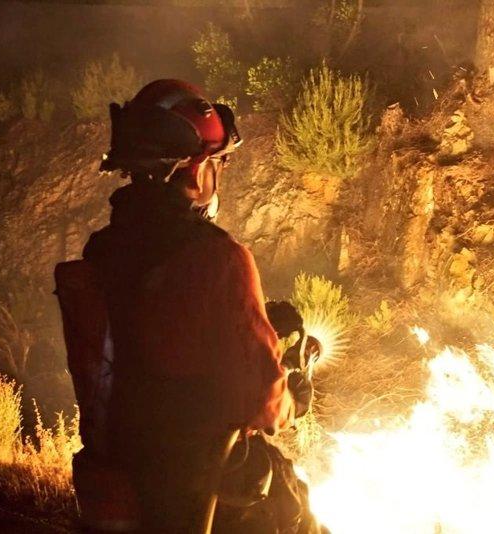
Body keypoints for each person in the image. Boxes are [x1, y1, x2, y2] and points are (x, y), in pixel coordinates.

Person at [55, 79, 319, 533]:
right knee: (295, 507)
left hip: (125, 475)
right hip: (202, 499)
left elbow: (159, 345)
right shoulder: (220, 258)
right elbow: (263, 405)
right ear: (196, 172)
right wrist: (294, 393)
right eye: (218, 164)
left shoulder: (104, 250)